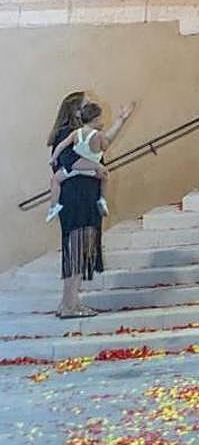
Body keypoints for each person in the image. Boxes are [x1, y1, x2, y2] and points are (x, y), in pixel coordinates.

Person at [48, 92, 133, 318]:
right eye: (86, 105)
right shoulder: (66, 133)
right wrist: (97, 169)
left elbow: (102, 145)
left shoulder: (88, 134)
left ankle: (72, 302)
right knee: (75, 248)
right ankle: (68, 304)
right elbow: (67, 162)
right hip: (75, 198)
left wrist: (120, 121)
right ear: (76, 111)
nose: (91, 106)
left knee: (83, 248)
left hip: (87, 197)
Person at [46, 103, 113, 223]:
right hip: (92, 169)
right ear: (96, 119)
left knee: (55, 180)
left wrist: (53, 158)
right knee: (105, 177)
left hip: (75, 169)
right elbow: (105, 146)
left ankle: (53, 206)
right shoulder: (98, 135)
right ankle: (102, 200)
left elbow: (62, 145)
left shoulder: (76, 133)